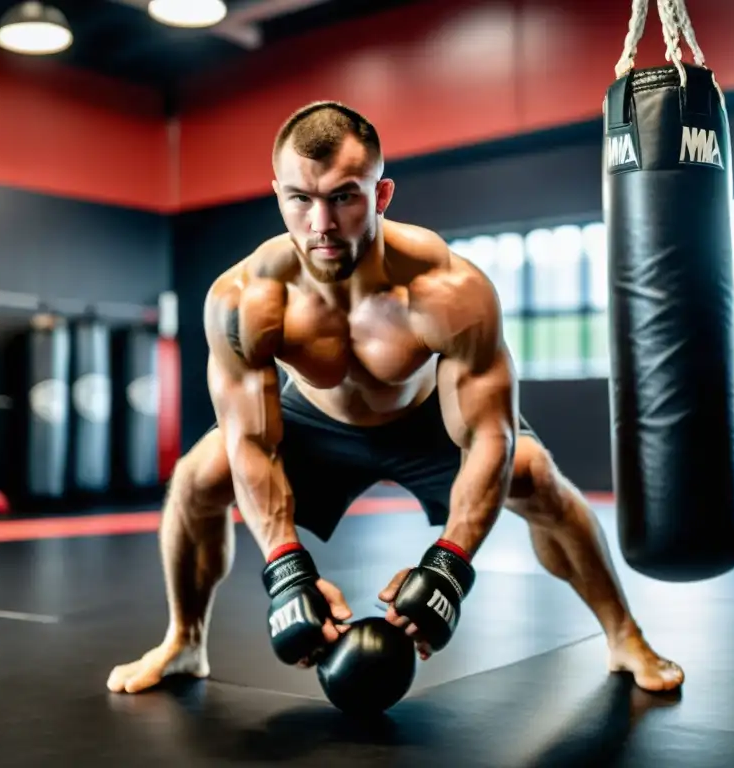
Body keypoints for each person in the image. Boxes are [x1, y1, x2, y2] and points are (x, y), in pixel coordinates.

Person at [106, 101, 684, 696]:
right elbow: (249, 438)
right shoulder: (247, 299)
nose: (320, 224)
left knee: (536, 476)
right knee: (199, 477)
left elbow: (491, 436)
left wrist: (450, 564)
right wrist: (286, 567)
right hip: (314, 420)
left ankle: (624, 635)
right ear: (277, 194)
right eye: (300, 199)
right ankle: (184, 640)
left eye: (343, 197)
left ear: (381, 196)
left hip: (424, 417)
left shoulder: (448, 290)